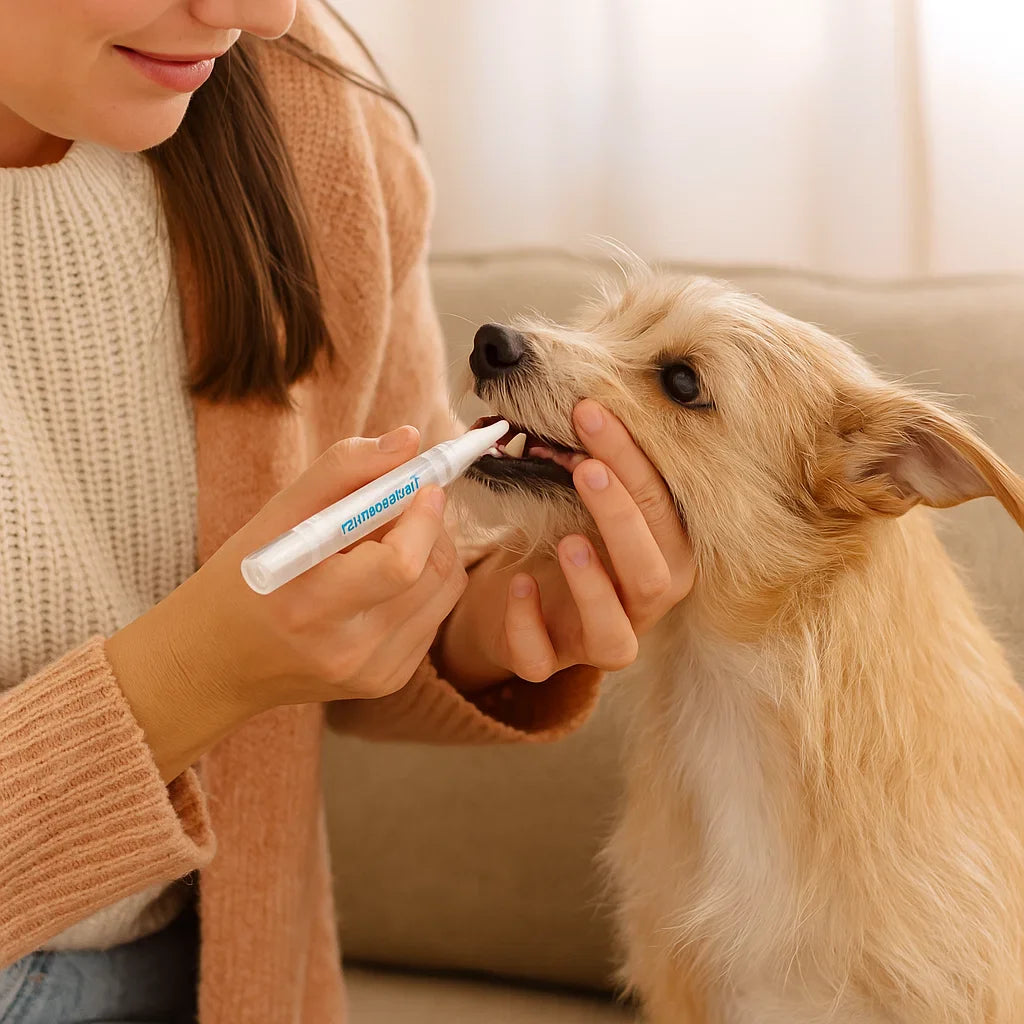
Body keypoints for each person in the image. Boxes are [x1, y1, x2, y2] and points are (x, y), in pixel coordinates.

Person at [0, 2, 695, 1021]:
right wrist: (192, 674)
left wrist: (471, 621)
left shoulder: (303, 106)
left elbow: (375, 585)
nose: (258, 13)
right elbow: (229, 660)